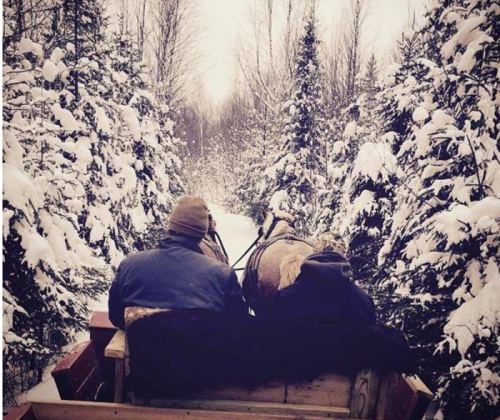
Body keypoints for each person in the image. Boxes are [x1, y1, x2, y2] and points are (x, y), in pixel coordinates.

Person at [258, 232, 413, 380]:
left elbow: (267, 341)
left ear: (313, 255)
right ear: (343, 257)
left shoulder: (285, 297)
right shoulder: (363, 300)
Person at [108, 195, 247, 329]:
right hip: (200, 352)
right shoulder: (223, 274)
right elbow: (238, 324)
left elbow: (116, 317)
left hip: (145, 353)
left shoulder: (129, 265)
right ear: (202, 233)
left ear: (170, 227)